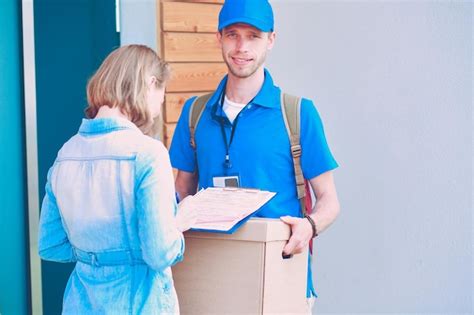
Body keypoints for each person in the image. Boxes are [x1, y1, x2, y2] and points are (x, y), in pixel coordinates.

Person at [169, 0, 340, 308]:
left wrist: (309, 226)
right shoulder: (195, 113)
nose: (241, 46)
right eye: (232, 34)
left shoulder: (298, 114)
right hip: (208, 277)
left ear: (271, 40)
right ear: (218, 37)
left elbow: (329, 201)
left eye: (253, 36)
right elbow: (181, 194)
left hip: (281, 273)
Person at [38, 44, 196, 314]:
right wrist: (178, 222)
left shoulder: (65, 154)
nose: (159, 105)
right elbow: (160, 253)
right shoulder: (147, 153)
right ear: (150, 83)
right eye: (161, 94)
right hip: (139, 302)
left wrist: (96, 256)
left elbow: (51, 245)